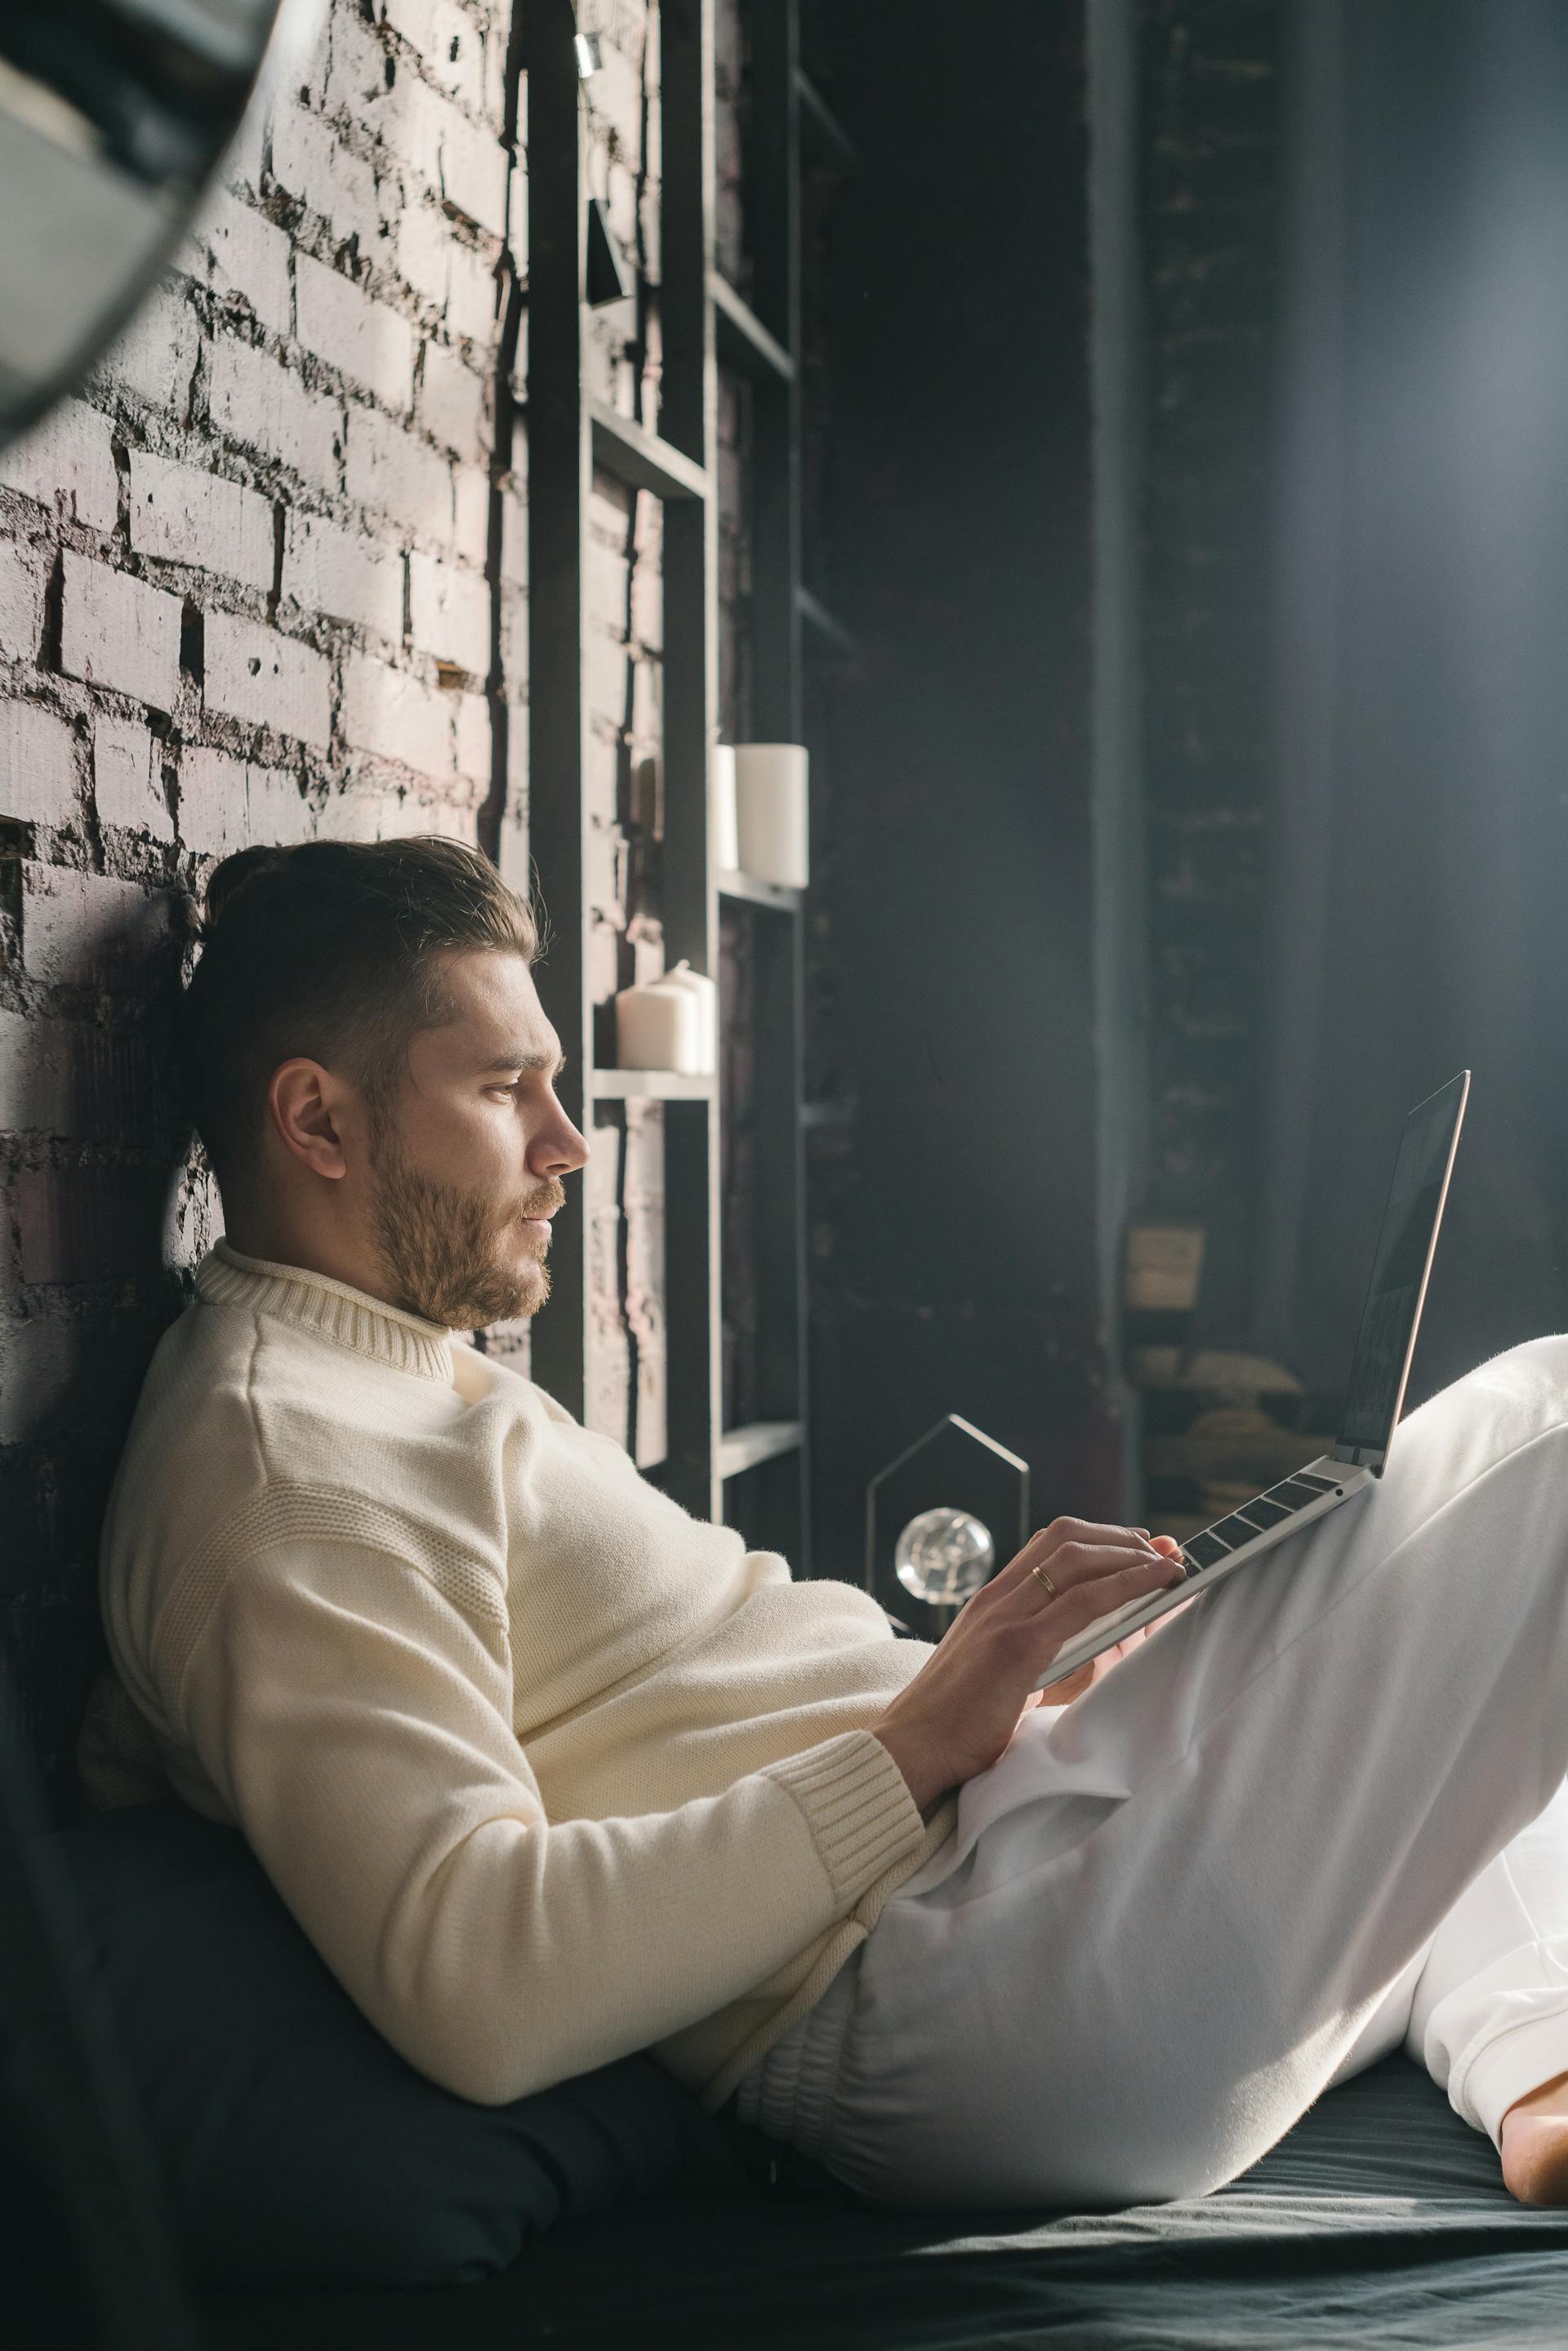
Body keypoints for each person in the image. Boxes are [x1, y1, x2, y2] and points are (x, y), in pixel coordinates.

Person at [79, 835, 1568, 2214]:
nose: (567, 1144)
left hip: (980, 1867)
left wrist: (999, 1695)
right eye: (499, 1091)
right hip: (949, 1990)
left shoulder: (368, 1368)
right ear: (315, 1121)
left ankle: (1538, 2076)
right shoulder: (286, 1470)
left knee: (1480, 1693)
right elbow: (484, 1981)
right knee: (1546, 1429)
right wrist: (920, 1740)